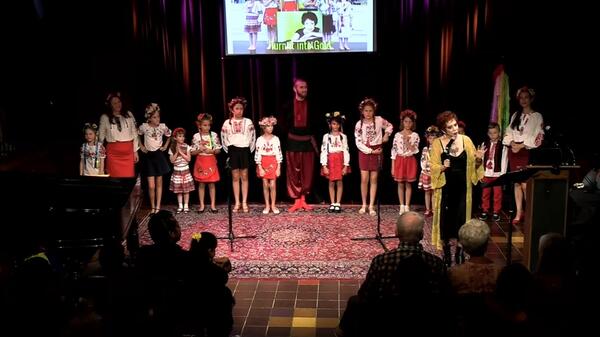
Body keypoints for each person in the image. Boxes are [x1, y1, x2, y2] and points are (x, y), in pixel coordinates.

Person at [336, 212, 450, 336]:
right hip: (426, 322)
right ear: (422, 235)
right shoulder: (436, 263)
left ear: (396, 232)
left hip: (386, 321)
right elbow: (445, 296)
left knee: (355, 302)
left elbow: (366, 293)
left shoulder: (382, 260)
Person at [430, 111, 485, 266]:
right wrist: (441, 167)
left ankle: (460, 252)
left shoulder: (466, 140)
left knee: (462, 219)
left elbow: (476, 165)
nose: (454, 129)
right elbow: (432, 166)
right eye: (450, 127)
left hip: (463, 189)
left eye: (455, 125)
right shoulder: (437, 143)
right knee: (446, 221)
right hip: (446, 190)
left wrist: (479, 158)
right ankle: (446, 252)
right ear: (443, 129)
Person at [502, 86, 544, 225]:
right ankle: (519, 212)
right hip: (514, 152)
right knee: (516, 183)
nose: (524, 100)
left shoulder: (537, 116)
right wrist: (512, 142)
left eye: (526, 97)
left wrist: (521, 145)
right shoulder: (515, 115)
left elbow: (538, 136)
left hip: (527, 151)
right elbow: (508, 132)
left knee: (526, 184)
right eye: (521, 98)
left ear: (531, 99)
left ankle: (530, 211)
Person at [185, 232, 235, 337]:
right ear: (210, 251)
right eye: (214, 249)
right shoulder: (216, 272)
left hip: (187, 306)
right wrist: (222, 269)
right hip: (210, 312)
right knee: (225, 294)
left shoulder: (182, 260)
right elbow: (220, 280)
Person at [283, 78, 318, 212]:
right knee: (293, 172)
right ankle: (296, 200)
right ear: (295, 89)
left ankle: (303, 199)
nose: (304, 90)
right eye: (301, 87)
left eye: (306, 87)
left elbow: (315, 124)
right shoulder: (287, 105)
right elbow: (283, 123)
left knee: (307, 172)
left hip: (307, 143)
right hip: (293, 142)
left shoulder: (312, 105)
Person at [354, 97, 393, 215]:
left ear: (374, 111)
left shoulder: (379, 120)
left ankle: (371, 205)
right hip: (365, 152)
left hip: (377, 149)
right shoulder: (359, 124)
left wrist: (386, 135)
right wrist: (370, 151)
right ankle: (364, 204)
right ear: (362, 111)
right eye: (366, 111)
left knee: (374, 179)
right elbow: (358, 142)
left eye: (370, 111)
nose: (368, 113)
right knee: (364, 179)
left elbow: (390, 126)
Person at [221, 98, 256, 213]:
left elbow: (252, 137)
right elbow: (224, 137)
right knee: (235, 176)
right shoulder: (227, 122)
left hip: (244, 150)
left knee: (244, 176)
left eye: (241, 108)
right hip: (233, 150)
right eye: (237, 108)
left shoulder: (248, 121)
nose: (239, 111)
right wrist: (228, 150)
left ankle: (245, 202)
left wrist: (250, 149)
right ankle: (237, 202)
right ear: (232, 109)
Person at [138, 103, 172, 213]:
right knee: (151, 186)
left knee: (159, 183)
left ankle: (157, 206)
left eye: (158, 116)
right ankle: (152, 207)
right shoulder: (145, 127)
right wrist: (141, 146)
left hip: (159, 156)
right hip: (149, 157)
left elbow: (169, 135)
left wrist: (165, 146)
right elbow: (137, 134)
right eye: (154, 117)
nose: (157, 119)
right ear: (149, 118)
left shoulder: (162, 127)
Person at [98, 92, 139, 177]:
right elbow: (101, 138)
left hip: (128, 153)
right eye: (114, 103)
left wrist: (135, 152)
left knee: (128, 179)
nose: (118, 105)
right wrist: (99, 155)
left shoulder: (129, 114)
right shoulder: (105, 117)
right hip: (113, 154)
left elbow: (135, 133)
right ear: (110, 105)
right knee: (114, 179)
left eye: (119, 102)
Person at [391, 109, 420, 215]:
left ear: (413, 123)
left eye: (410, 122)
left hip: (410, 160)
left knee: (408, 183)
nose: (407, 124)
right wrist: (393, 166)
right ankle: (401, 205)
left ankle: (407, 205)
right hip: (399, 160)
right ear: (402, 122)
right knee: (400, 183)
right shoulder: (397, 135)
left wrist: (407, 141)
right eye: (406, 121)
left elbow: (415, 150)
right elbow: (393, 151)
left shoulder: (415, 135)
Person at [320, 111, 350, 213]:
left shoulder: (343, 136)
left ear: (340, 124)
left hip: (340, 159)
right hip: (330, 160)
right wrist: (324, 165)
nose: (335, 126)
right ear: (330, 124)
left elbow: (346, 150)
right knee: (331, 182)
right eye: (333, 124)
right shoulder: (326, 136)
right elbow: (323, 150)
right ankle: (332, 202)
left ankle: (338, 203)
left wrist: (346, 165)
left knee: (339, 182)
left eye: (337, 124)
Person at [192, 113, 222, 213]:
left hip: (210, 161)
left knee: (212, 184)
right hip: (201, 161)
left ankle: (213, 205)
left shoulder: (213, 135)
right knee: (201, 184)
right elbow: (192, 152)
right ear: (199, 125)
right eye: (205, 125)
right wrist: (198, 150)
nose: (207, 127)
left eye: (209, 125)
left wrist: (212, 151)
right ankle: (202, 205)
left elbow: (218, 150)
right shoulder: (196, 136)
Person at [479, 122, 508, 221]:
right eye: (490, 133)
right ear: (488, 134)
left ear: (499, 133)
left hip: (497, 174)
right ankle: (485, 210)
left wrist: (502, 175)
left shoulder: (503, 146)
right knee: (485, 194)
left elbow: (504, 160)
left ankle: (496, 212)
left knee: (497, 195)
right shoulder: (484, 144)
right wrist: (480, 173)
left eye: (495, 133)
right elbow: (481, 159)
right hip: (486, 173)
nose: (493, 135)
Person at [255, 116, 283, 214]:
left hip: (273, 161)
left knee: (273, 185)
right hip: (263, 162)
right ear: (263, 127)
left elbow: (278, 153)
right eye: (268, 126)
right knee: (265, 184)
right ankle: (267, 205)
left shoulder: (276, 139)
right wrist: (260, 167)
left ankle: (273, 205)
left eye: (272, 126)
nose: (270, 128)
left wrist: (278, 167)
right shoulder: (259, 139)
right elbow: (257, 153)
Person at [169, 127, 195, 214]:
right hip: (177, 171)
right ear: (175, 137)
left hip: (185, 170)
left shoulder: (187, 146)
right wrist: (176, 152)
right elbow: (172, 161)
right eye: (180, 136)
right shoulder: (172, 148)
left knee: (186, 190)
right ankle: (180, 205)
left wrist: (181, 152)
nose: (182, 138)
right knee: (179, 190)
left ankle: (186, 205)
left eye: (183, 136)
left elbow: (189, 159)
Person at [418, 125, 440, 216]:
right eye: (430, 137)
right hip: (426, 172)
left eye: (434, 137)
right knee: (427, 192)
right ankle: (428, 209)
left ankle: (434, 209)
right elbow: (423, 160)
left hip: (435, 173)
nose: (432, 139)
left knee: (434, 192)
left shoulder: (439, 150)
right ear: (427, 138)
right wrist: (424, 170)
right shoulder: (425, 149)